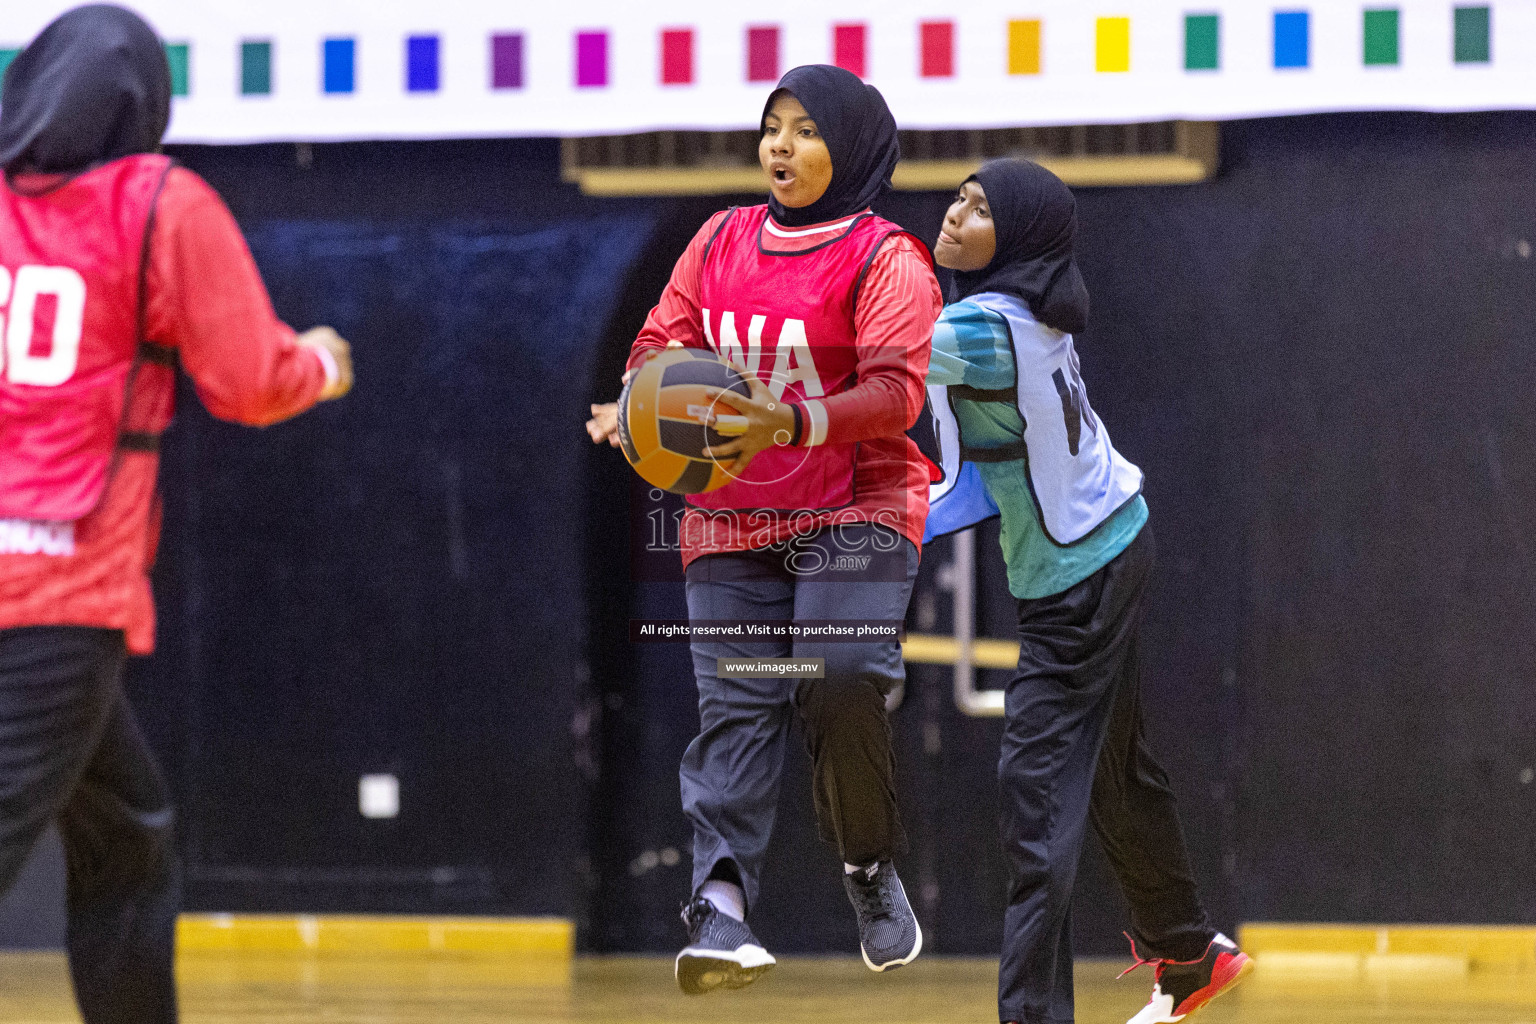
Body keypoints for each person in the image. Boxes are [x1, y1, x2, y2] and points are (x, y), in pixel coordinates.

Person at [0, 7, 353, 1022]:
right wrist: (321, 363)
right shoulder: (156, 200)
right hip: (57, 596)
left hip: (37, 601)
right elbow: (247, 381)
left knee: (129, 830)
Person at [587, 64, 942, 993]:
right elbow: (660, 341)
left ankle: (866, 865)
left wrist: (786, 421)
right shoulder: (719, 240)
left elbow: (898, 392)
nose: (780, 146)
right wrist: (635, 406)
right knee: (739, 702)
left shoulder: (887, 257)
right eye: (772, 126)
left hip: (858, 506)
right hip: (732, 517)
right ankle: (721, 908)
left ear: (853, 147)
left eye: (806, 130)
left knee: (836, 674)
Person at [922, 159, 1251, 1024]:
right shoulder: (1014, 318)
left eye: (980, 208)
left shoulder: (981, 332)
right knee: (1115, 769)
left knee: (1037, 801)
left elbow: (857, 351)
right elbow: (962, 481)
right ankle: (1187, 950)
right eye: (959, 196)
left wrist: (724, 360)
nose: (955, 214)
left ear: (1020, 239)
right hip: (1109, 547)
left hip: (1081, 582)